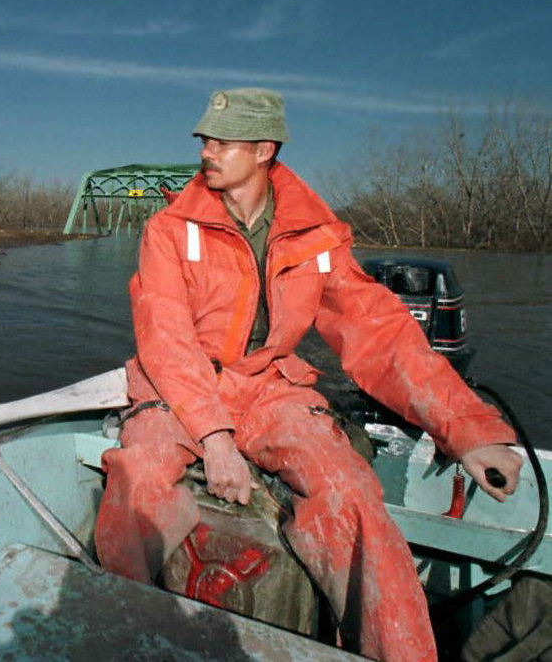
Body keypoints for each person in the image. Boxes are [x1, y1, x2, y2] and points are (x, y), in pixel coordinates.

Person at [94, 88, 524, 662]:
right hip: (179, 386)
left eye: (224, 141)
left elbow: (380, 334)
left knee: (349, 492)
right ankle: (122, 634)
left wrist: (469, 430)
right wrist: (216, 439)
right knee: (138, 482)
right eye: (205, 139)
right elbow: (166, 340)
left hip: (271, 386)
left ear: (265, 149)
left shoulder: (316, 238)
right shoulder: (171, 230)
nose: (207, 151)